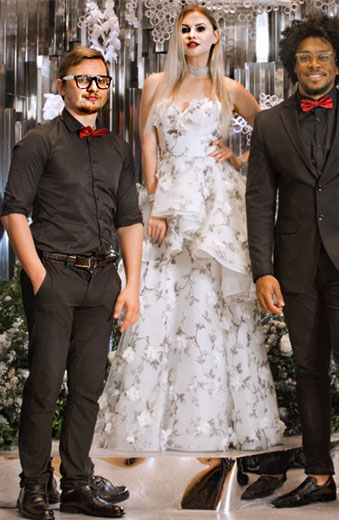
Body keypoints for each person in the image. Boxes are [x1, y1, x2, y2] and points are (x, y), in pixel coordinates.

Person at [94, 5, 284, 453]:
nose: (192, 35)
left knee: (210, 301)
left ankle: (210, 420)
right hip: (167, 202)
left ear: (215, 36)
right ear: (177, 37)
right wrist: (156, 203)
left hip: (214, 205)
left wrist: (238, 158)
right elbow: (147, 141)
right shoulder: (156, 83)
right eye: (184, 29)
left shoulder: (228, 87)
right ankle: (154, 422)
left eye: (200, 28)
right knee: (162, 304)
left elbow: (272, 133)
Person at [245, 13, 339, 511]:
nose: (314, 64)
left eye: (323, 56)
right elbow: (258, 200)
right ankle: (317, 476)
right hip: (295, 265)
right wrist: (263, 269)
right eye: (305, 57)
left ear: (338, 63)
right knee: (308, 369)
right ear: (292, 65)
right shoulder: (269, 124)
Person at [1, 46, 143, 520]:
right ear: (62, 86)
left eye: (101, 80)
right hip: (55, 275)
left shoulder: (117, 147)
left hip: (103, 279)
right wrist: (39, 276)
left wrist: (132, 285)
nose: (93, 88)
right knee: (45, 386)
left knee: (87, 388)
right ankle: (33, 485)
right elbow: (13, 211)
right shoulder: (38, 142)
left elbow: (130, 219)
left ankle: (78, 484)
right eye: (83, 80)